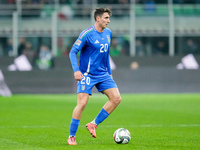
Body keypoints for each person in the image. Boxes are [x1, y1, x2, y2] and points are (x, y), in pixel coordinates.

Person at [68, 8, 121, 145]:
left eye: (109, 18)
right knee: (82, 103)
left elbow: (106, 55)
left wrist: (109, 72)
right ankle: (72, 136)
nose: (108, 21)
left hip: (103, 74)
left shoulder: (108, 33)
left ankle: (93, 124)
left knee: (116, 98)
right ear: (98, 18)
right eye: (106, 18)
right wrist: (76, 70)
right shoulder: (87, 34)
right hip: (87, 74)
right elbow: (73, 52)